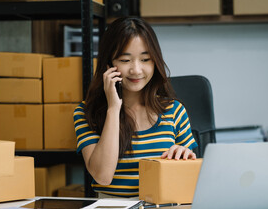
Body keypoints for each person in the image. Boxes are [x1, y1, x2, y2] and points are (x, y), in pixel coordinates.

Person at [73, 17, 198, 198]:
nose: (136, 70)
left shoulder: (174, 111)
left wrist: (186, 157)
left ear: (155, 62)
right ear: (108, 65)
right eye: (125, 60)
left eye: (145, 59)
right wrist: (113, 109)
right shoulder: (87, 112)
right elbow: (103, 176)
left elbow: (188, 179)